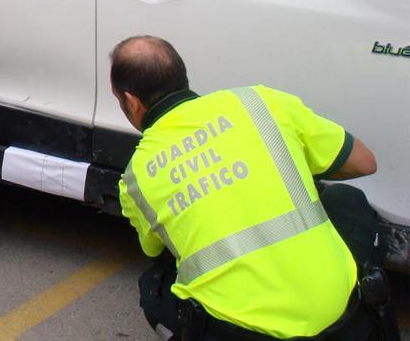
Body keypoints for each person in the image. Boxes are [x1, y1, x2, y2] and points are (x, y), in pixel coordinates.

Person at [109, 36, 399, 340]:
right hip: (338, 320)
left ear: (131, 101)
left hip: (236, 332)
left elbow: (153, 247)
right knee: (347, 200)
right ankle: (370, 305)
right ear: (183, 77)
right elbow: (364, 162)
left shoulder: (135, 177)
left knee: (154, 285)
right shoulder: (260, 102)